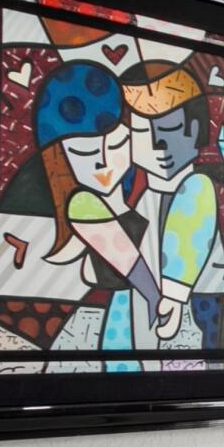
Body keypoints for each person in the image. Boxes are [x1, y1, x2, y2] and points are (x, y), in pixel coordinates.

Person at [34, 61, 160, 369]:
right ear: (59, 158)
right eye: (84, 153)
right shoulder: (82, 203)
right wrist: (158, 299)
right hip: (108, 316)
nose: (104, 163)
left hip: (132, 312)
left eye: (117, 145)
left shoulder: (138, 199)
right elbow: (130, 264)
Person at [117, 56, 224, 355]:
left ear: (195, 130)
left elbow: (189, 237)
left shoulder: (198, 189)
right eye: (143, 133)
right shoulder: (139, 199)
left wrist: (175, 297)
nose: (158, 144)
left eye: (170, 128)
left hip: (196, 309)